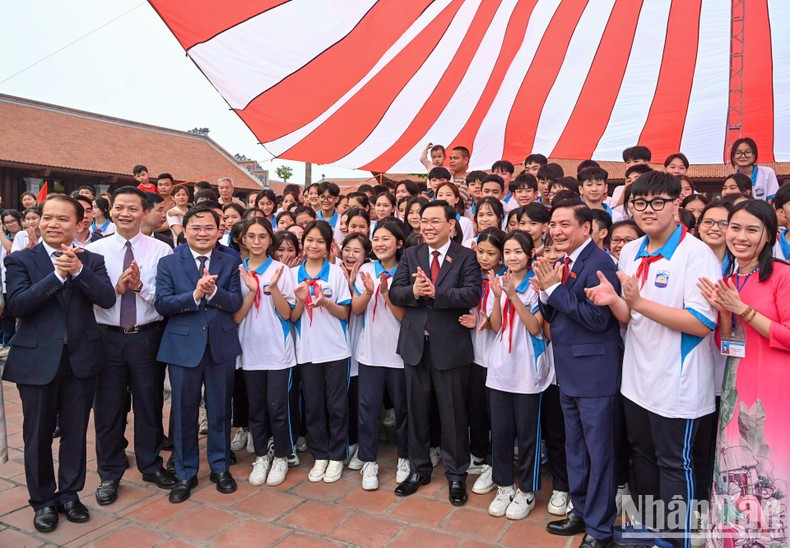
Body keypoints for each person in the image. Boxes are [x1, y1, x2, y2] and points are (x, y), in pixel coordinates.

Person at [587, 172, 721, 547]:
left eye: (657, 202)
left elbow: (701, 323)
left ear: (677, 203)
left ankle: (675, 538)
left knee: (675, 464)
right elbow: (632, 317)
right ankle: (648, 528)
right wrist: (613, 300)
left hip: (678, 384)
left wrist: (637, 301)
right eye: (639, 203)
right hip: (637, 379)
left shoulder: (696, 254)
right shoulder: (631, 250)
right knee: (641, 457)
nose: (648, 210)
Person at [3, 195, 115, 533]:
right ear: (35, 220)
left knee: (75, 431)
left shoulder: (91, 260)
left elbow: (107, 298)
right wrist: (55, 275)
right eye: (47, 217)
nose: (53, 224)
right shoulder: (21, 260)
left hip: (81, 358)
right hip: (37, 359)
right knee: (36, 434)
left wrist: (78, 271)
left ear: (79, 224)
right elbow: (18, 305)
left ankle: (69, 494)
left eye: (62, 219)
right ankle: (43, 501)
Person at [697, 200, 790, 546]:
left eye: (752, 230)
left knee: (769, 466)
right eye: (734, 228)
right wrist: (724, 311)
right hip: (736, 386)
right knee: (735, 468)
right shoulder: (730, 278)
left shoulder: (782, 275)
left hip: (775, 388)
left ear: (768, 236)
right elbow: (727, 341)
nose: (740, 236)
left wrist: (743, 310)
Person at [531, 199, 622, 547]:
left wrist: (555, 290)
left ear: (586, 228)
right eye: (553, 224)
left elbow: (599, 319)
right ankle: (581, 511)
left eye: (565, 224)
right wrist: (545, 292)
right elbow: (556, 314)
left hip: (595, 374)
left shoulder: (599, 263)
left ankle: (601, 529)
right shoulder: (565, 262)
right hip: (568, 371)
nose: (556, 231)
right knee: (577, 449)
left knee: (599, 454)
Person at [86, 186, 175, 505]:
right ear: (110, 210)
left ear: (144, 212)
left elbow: (165, 299)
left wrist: (139, 287)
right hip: (106, 337)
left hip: (147, 336)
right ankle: (109, 473)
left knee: (150, 404)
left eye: (133, 208)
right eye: (120, 207)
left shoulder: (161, 251)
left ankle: (151, 464)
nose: (126, 213)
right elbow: (89, 297)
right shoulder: (94, 249)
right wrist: (115, 288)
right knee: (108, 408)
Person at [389, 200, 481, 506]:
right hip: (416, 346)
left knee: (453, 413)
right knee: (416, 411)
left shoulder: (466, 257)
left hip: (450, 348)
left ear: (451, 225)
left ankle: (456, 475)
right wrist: (414, 292)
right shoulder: (412, 254)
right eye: (423, 221)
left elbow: (471, 293)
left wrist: (436, 293)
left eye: (435, 221)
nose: (427, 226)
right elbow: (395, 292)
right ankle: (419, 469)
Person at [155, 205, 243, 503]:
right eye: (196, 227)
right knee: (184, 412)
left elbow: (234, 302)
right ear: (185, 230)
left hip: (221, 346)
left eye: (208, 228)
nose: (202, 233)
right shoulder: (169, 262)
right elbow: (163, 304)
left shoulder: (230, 261)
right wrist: (195, 294)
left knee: (220, 410)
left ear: (219, 230)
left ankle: (220, 468)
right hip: (183, 347)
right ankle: (185, 472)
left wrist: (214, 293)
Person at [485, 231, 550, 520]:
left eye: (518, 252)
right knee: (500, 433)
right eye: (508, 252)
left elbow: (535, 327)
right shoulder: (497, 281)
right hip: (500, 369)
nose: (512, 257)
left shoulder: (538, 285)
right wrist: (499, 298)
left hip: (528, 371)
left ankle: (527, 490)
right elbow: (497, 326)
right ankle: (503, 485)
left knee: (527, 436)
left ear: (529, 254)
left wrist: (514, 295)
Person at [234, 218, 297, 487]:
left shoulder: (282, 270)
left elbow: (289, 314)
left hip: (278, 350)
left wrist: (273, 289)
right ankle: (261, 455)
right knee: (256, 408)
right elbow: (236, 317)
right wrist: (251, 291)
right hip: (249, 350)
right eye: (251, 236)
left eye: (262, 236)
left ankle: (281, 455)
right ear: (243, 240)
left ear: (270, 240)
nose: (257, 241)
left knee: (277, 406)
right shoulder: (235, 270)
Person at [289, 221, 352, 483]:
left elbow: (345, 313)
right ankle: (320, 454)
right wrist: (302, 301)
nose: (314, 246)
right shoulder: (292, 274)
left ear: (328, 247)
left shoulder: (336, 273)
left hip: (336, 350)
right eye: (309, 240)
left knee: (336, 405)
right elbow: (291, 317)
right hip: (307, 351)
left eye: (320, 242)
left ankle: (337, 456)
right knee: (314, 405)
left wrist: (326, 302)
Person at [351, 221, 410, 490]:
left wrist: (386, 295)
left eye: (386, 238)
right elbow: (356, 309)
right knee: (368, 409)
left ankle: (405, 458)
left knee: (404, 410)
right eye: (376, 238)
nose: (380, 243)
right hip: (370, 353)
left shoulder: (407, 271)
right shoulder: (365, 269)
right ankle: (369, 460)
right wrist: (367, 291)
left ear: (399, 243)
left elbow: (405, 317)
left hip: (400, 354)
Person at [731, 137, 779, 201]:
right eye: (738, 153)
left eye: (747, 152)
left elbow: (773, 201)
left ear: (754, 155)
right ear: (733, 157)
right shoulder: (732, 180)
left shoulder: (767, 173)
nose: (743, 156)